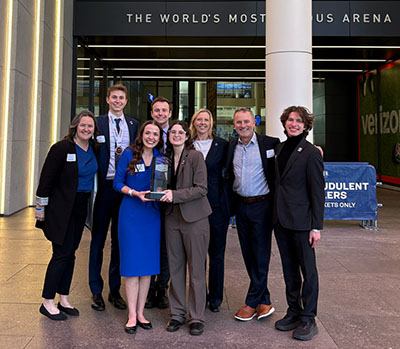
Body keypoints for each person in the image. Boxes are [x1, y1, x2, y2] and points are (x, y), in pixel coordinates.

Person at [35, 110, 99, 321]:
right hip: (61, 209)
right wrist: (40, 208)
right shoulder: (62, 148)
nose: (86, 129)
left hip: (81, 207)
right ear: (75, 126)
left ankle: (63, 298)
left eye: (90, 126)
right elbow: (46, 179)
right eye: (83, 125)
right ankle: (47, 301)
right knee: (61, 254)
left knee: (71, 254)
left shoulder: (93, 149)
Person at [273, 106, 324, 341]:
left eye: (298, 121)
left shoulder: (312, 152)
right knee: (289, 269)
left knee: (308, 271)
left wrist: (316, 226)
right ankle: (293, 311)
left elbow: (317, 192)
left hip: (303, 222)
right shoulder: (280, 148)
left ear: (306, 125)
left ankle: (308, 318)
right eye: (290, 120)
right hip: (281, 220)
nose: (293, 124)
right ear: (285, 123)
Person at [225, 108, 280, 322]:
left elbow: (291, 150)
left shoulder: (271, 143)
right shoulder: (231, 145)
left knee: (261, 253)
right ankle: (264, 301)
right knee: (248, 254)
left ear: (254, 122)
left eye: (246, 121)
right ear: (234, 124)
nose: (243, 125)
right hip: (240, 205)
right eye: (239, 122)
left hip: (262, 205)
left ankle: (251, 302)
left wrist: (313, 148)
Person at [89, 84, 138, 311]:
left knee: (119, 241)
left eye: (121, 98)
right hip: (105, 187)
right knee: (98, 239)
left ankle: (115, 290)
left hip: (124, 189)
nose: (118, 101)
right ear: (108, 99)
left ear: (125, 101)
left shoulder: (133, 125)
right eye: (114, 97)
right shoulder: (97, 123)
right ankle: (96, 290)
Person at [160, 120, 212, 336]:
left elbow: (201, 189)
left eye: (180, 132)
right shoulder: (164, 158)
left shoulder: (196, 156)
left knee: (197, 270)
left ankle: (197, 317)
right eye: (173, 132)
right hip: (171, 218)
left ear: (186, 135)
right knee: (176, 268)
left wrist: (175, 195)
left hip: (195, 218)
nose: (176, 135)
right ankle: (177, 314)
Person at [113, 120, 164, 334]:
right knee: (133, 268)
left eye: (156, 134)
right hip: (131, 215)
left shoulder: (162, 159)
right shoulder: (128, 154)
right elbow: (117, 183)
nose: (151, 137)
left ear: (160, 138)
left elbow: (163, 185)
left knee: (147, 270)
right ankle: (132, 315)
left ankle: (141, 312)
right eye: (148, 133)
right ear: (141, 134)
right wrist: (134, 193)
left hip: (152, 216)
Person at [189, 108, 229, 313]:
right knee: (197, 255)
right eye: (199, 119)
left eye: (206, 120)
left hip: (216, 208)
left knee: (216, 254)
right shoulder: (187, 144)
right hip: (192, 208)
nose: (202, 123)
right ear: (194, 122)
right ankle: (199, 295)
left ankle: (215, 297)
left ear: (211, 123)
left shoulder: (222, 145)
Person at [145, 96, 172, 309]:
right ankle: (147, 287)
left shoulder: (176, 134)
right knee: (150, 243)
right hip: (147, 198)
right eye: (157, 110)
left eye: (164, 110)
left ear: (170, 113)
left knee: (166, 246)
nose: (161, 114)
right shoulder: (146, 133)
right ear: (152, 112)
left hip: (170, 200)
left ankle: (161, 288)